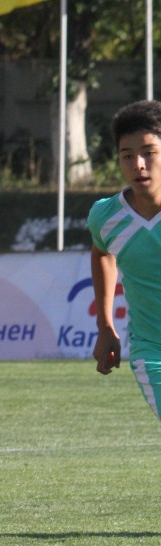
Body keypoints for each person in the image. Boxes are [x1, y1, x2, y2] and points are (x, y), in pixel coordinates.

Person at [88, 99, 161, 421]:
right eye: (127, 155)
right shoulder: (106, 216)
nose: (138, 164)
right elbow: (102, 253)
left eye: (149, 152)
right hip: (153, 353)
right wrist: (105, 326)